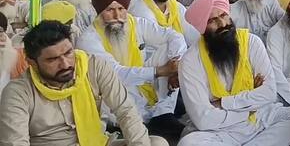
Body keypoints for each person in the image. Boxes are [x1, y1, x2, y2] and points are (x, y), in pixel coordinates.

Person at [179, 0, 290, 145]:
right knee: (189, 143)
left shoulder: (251, 42)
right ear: (202, 27)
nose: (223, 24)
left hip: (261, 118)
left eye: (224, 16)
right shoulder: (190, 61)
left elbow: (269, 93)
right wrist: (250, 105)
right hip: (222, 131)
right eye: (212, 20)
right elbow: (203, 119)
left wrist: (224, 103)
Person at [0, 21, 168, 146]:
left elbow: (126, 111)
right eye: (53, 59)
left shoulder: (93, 66)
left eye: (68, 53)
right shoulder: (18, 93)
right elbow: (15, 143)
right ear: (32, 63)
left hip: (97, 142)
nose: (65, 64)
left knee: (157, 143)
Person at [76, 0, 187, 143]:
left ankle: (163, 114)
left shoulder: (134, 23)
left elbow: (173, 36)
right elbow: (114, 74)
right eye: (110, 10)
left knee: (170, 49)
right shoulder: (88, 39)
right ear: (99, 12)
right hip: (112, 93)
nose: (117, 15)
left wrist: (174, 68)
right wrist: (159, 71)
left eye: (121, 9)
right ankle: (131, 124)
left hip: (140, 84)